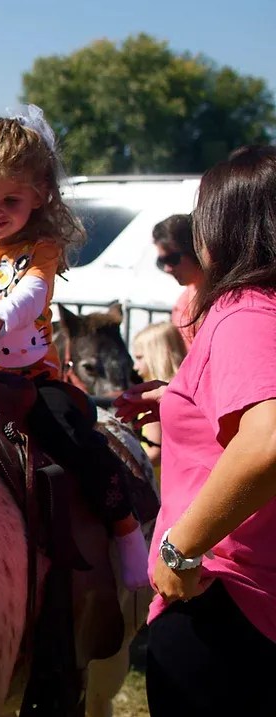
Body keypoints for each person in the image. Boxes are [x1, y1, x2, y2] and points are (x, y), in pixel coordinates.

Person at [0, 105, 150, 591]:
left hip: (30, 380)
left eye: (10, 200)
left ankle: (124, 528)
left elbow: (33, 294)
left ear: (40, 195)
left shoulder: (41, 245)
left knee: (74, 437)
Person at [114, 145, 276, 716]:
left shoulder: (243, 309)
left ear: (223, 227)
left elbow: (269, 439)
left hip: (224, 596)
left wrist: (181, 551)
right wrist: (185, 398)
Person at [130, 322, 187, 469]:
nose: (135, 367)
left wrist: (127, 467)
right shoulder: (183, 388)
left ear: (157, 356)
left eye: (140, 358)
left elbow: (154, 451)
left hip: (156, 479)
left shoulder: (154, 397)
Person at [152, 214, 205, 348]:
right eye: (162, 261)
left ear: (194, 250)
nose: (167, 269)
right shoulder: (184, 301)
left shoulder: (224, 299)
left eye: (172, 259)